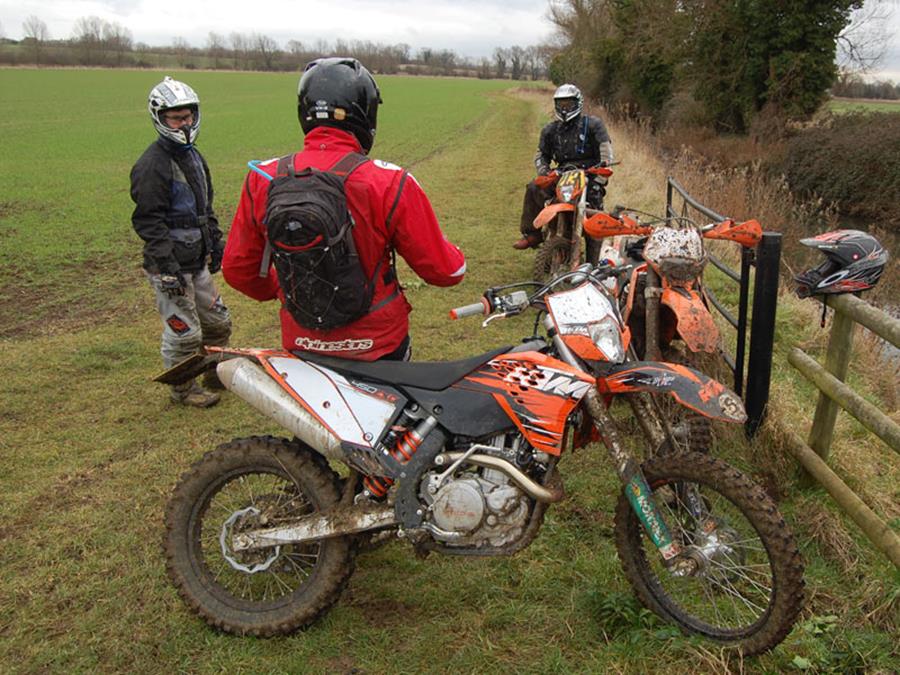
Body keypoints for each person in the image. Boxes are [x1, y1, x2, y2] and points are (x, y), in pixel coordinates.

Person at [222, 57, 465, 362]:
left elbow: (237, 269)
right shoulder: (389, 180)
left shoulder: (263, 177)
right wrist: (458, 256)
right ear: (366, 112)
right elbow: (445, 271)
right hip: (377, 345)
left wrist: (284, 289)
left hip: (301, 339)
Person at [130, 76, 232, 407]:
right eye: (176, 118)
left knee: (219, 322)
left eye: (187, 116)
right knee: (184, 333)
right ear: (160, 119)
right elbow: (148, 221)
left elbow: (205, 207)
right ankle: (183, 390)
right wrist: (167, 266)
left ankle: (215, 372)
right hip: (169, 266)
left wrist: (215, 243)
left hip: (196, 260)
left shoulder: (194, 158)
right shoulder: (152, 165)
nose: (184, 123)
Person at [513, 83, 614, 250]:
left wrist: (599, 180)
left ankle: (594, 262)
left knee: (595, 223)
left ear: (578, 103)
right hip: (561, 175)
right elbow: (540, 155)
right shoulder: (550, 130)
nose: (565, 108)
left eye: (569, 103)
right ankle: (532, 234)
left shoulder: (593, 125)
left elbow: (607, 155)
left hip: (589, 176)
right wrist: (544, 172)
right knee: (533, 187)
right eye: (561, 104)